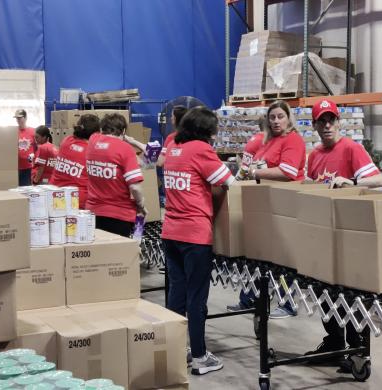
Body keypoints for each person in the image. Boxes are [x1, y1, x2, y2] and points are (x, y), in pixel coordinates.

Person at [305, 98, 382, 363]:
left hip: (349, 236)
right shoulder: (315, 155)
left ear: (339, 122)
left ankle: (358, 349)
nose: (327, 126)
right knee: (323, 292)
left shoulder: (351, 148)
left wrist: (350, 181)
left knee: (350, 295)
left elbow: (379, 180)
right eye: (322, 121)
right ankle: (335, 343)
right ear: (315, 125)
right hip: (323, 236)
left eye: (331, 120)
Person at [162, 107, 234, 376]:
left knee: (177, 294)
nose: (215, 136)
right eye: (213, 131)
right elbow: (229, 181)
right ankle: (201, 357)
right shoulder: (200, 150)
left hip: (171, 232)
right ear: (205, 131)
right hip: (194, 234)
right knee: (196, 298)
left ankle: (175, 350)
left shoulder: (173, 148)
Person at [227, 100, 306, 318]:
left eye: (280, 116)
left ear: (289, 118)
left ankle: (288, 303)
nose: (276, 121)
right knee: (259, 255)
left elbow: (287, 171)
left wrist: (255, 173)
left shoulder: (293, 140)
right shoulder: (267, 142)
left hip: (286, 205)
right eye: (272, 117)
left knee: (284, 256)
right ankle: (249, 299)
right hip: (267, 205)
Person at [86, 113, 147, 237]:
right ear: (123, 131)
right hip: (119, 215)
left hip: (92, 213)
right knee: (119, 254)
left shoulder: (92, 141)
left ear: (102, 129)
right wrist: (141, 205)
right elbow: (135, 187)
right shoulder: (125, 148)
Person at [50, 114, 100, 209]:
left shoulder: (66, 141)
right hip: (76, 202)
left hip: (55, 196)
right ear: (95, 134)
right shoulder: (91, 152)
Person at [15, 109, 37, 186]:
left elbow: (38, 148)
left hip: (28, 167)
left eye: (20, 118)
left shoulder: (33, 131)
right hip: (15, 167)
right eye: (17, 118)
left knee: (27, 189)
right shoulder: (14, 131)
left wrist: (34, 156)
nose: (18, 120)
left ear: (25, 118)